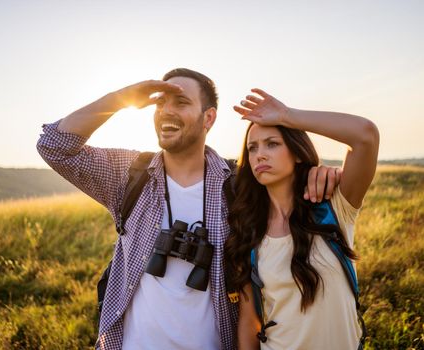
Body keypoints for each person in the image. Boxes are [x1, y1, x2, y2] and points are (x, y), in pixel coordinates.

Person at [37, 68, 338, 350]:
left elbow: (285, 174)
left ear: (208, 118)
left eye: (180, 102)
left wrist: (318, 173)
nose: (166, 111)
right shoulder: (129, 175)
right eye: (160, 103)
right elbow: (53, 145)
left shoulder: (240, 186)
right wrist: (121, 99)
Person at [225, 88, 379, 350]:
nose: (259, 154)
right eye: (252, 148)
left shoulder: (334, 206)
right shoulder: (249, 231)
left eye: (272, 144)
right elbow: (250, 321)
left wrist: (287, 115)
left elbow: (365, 135)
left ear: (297, 152)